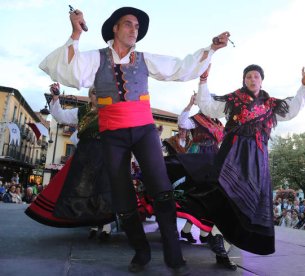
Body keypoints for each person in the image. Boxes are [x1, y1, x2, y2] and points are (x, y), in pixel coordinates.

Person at [39, 6, 229, 274]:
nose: (134, 30)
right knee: (122, 196)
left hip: (143, 130)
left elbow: (179, 68)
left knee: (162, 189)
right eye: (128, 24)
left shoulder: (144, 59)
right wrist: (75, 32)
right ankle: (141, 251)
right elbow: (72, 72)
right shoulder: (96, 58)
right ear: (114, 28)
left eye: (137, 27)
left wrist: (211, 49)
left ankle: (174, 255)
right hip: (112, 133)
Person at [167, 64, 305, 255]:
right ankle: (217, 235)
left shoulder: (270, 104)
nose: (252, 80)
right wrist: (203, 81)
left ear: (262, 81)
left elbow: (292, 110)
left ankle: (223, 243)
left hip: (257, 157)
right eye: (249, 77)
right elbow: (210, 107)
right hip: (233, 153)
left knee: (250, 199)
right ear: (244, 81)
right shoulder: (234, 99)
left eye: (256, 77)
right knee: (225, 193)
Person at [25, 84, 115, 230]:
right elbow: (60, 115)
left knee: (101, 187)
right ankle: (90, 222)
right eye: (94, 93)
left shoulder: (110, 112)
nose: (97, 96)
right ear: (90, 95)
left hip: (102, 153)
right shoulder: (81, 111)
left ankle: (105, 225)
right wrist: (55, 97)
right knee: (82, 188)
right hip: (84, 154)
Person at [177, 93, 224, 244]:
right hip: (199, 156)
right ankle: (200, 233)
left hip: (214, 157)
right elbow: (182, 122)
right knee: (197, 193)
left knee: (210, 195)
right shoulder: (198, 119)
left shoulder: (218, 123)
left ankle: (197, 231)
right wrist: (190, 104)